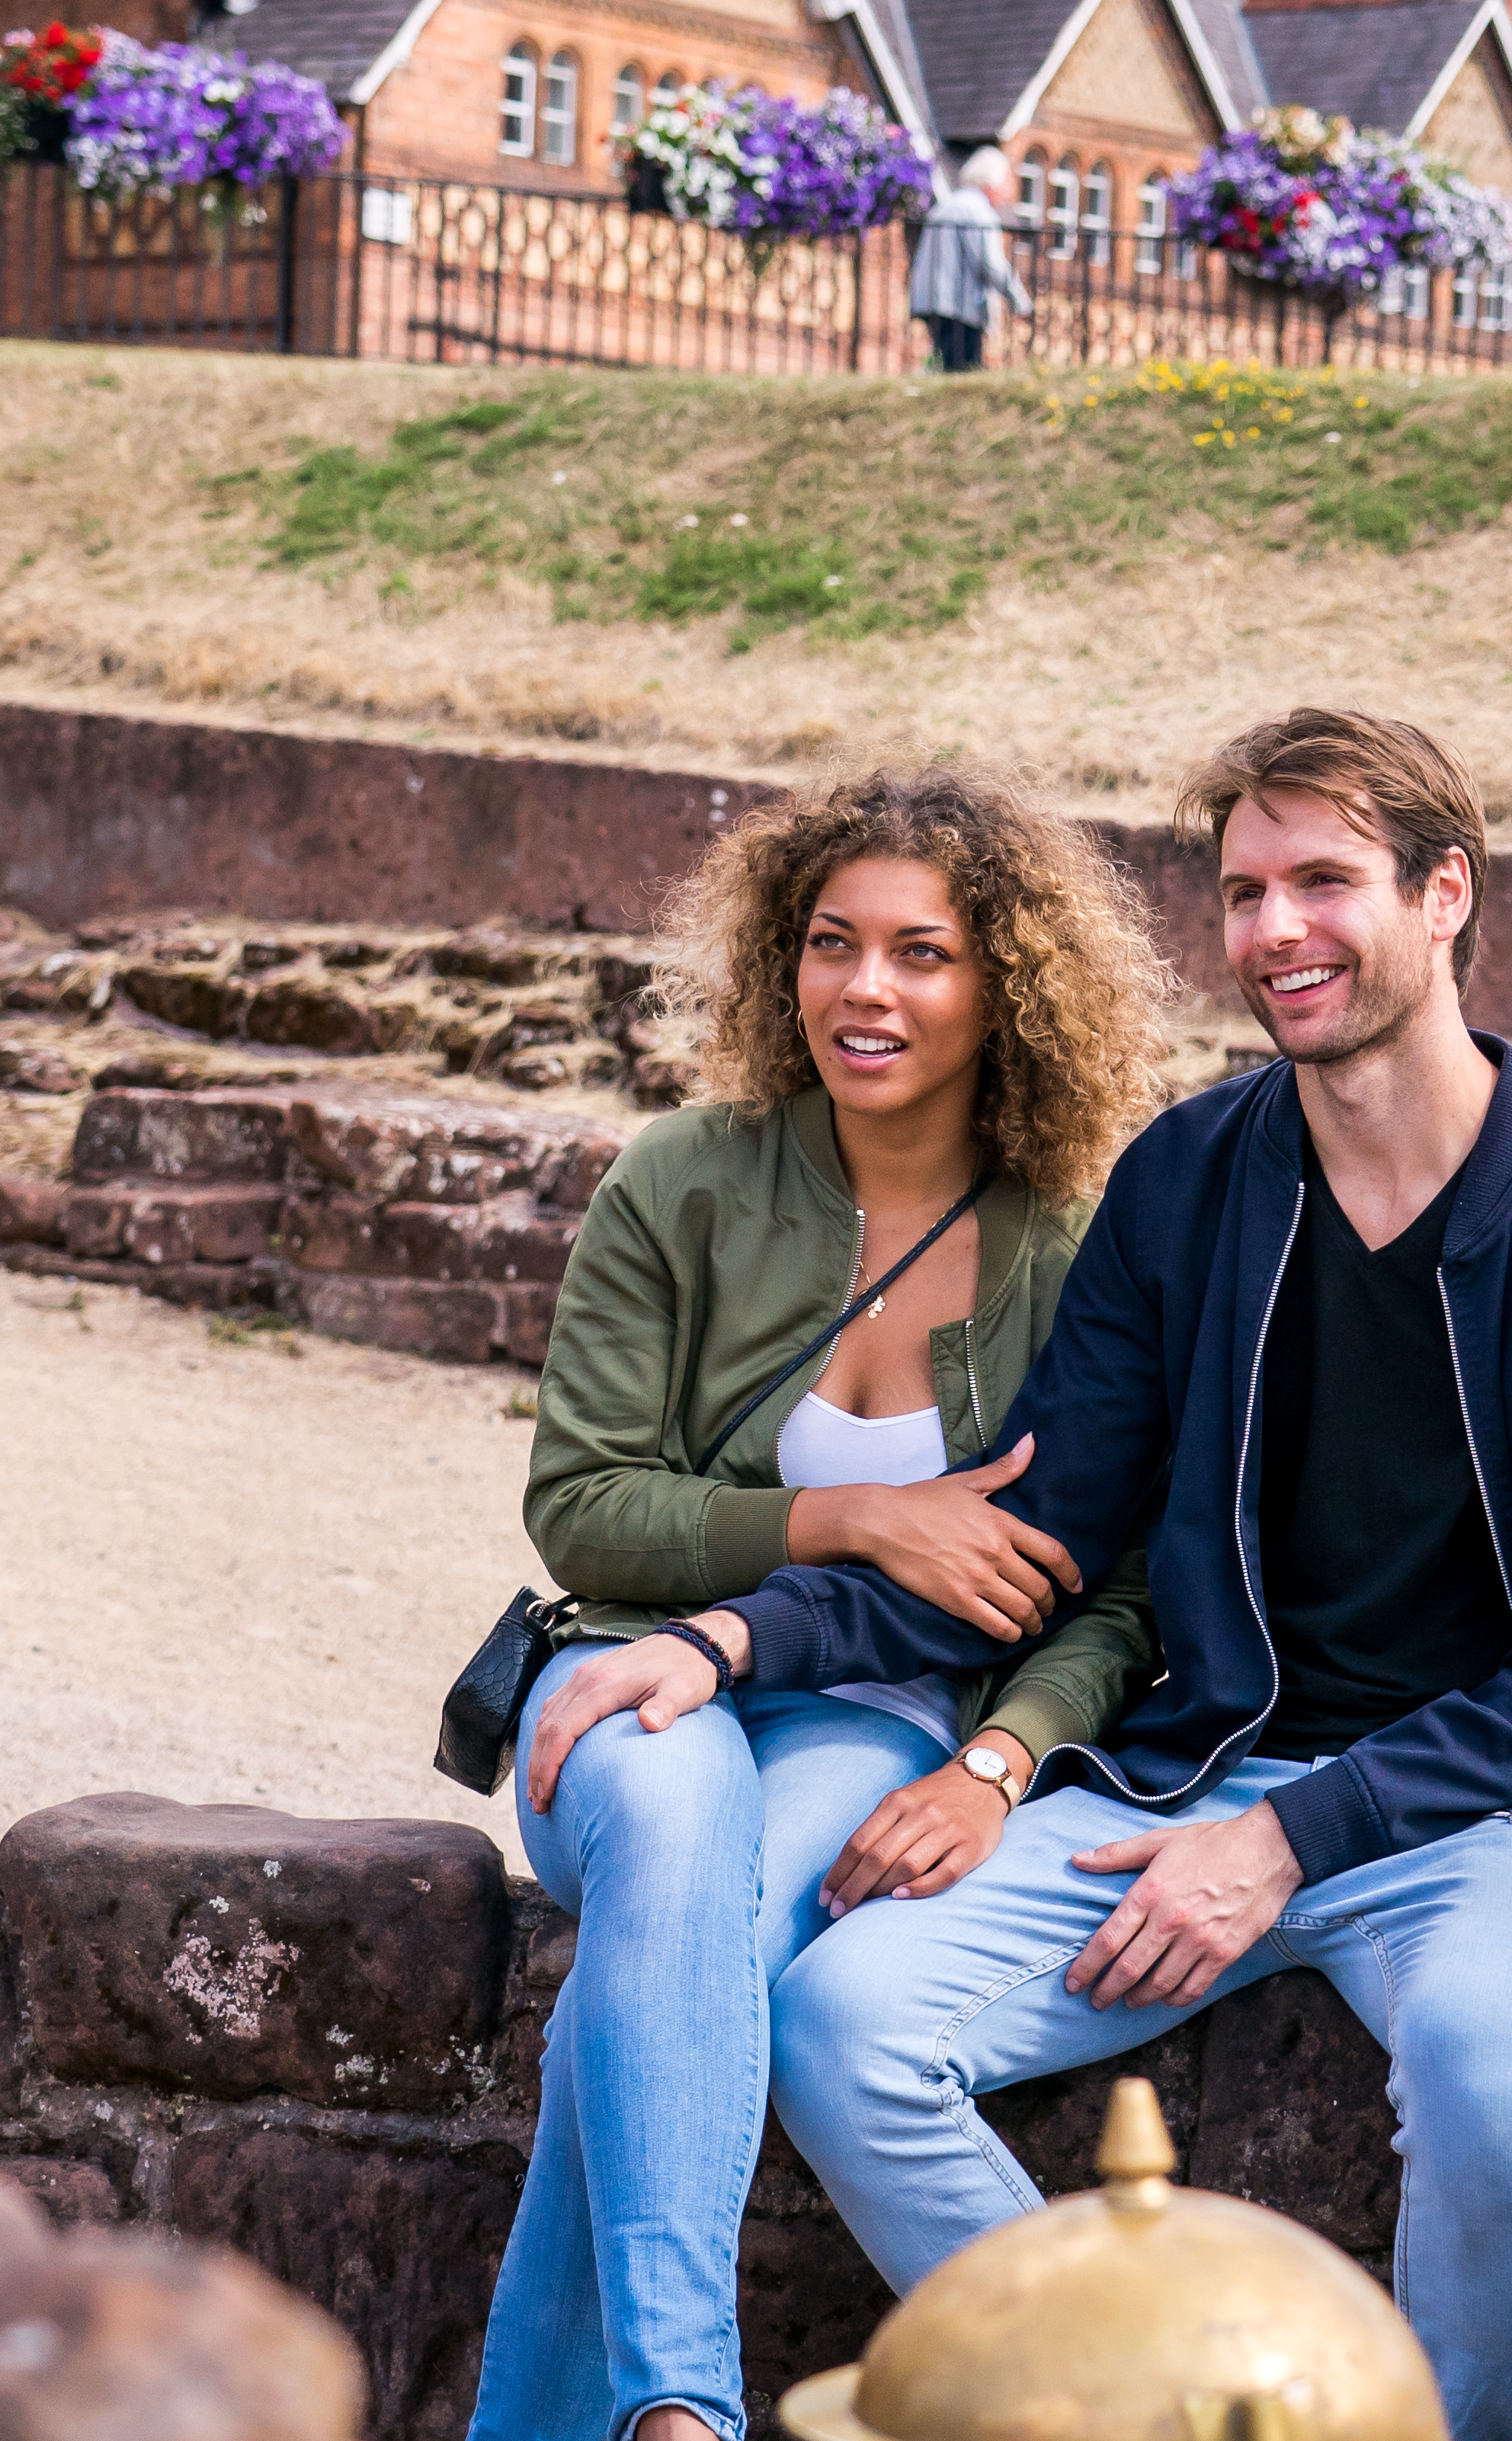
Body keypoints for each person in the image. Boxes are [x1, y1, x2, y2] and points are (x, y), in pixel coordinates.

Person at [526, 708, 1512, 2441]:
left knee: (1492, 2080)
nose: (1275, 933)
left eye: (1324, 882)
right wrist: (726, 1643)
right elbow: (1033, 1526)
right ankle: (1127, 2410)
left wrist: (1287, 1844)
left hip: (1511, 1812)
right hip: (1202, 1770)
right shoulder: (1192, 1180)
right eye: (1245, 892)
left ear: (1446, 893)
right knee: (848, 2015)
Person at [477, 767, 1171, 2441]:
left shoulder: (1074, 1250)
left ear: (1007, 980)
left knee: (656, 1977)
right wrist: (858, 1510)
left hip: (875, 1718)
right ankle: (683, 2405)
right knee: (671, 1828)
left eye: (923, 952)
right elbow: (582, 1504)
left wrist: (1000, 1755)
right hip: (632, 1675)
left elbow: (1120, 1592)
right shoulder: (682, 1181)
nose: (868, 988)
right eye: (830, 944)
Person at [905, 147, 1033, 373]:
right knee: (964, 370)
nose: (1006, 193)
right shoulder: (979, 213)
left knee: (945, 363)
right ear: (990, 183)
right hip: (960, 306)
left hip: (933, 301)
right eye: (1004, 183)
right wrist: (1019, 300)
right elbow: (990, 263)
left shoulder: (945, 206)